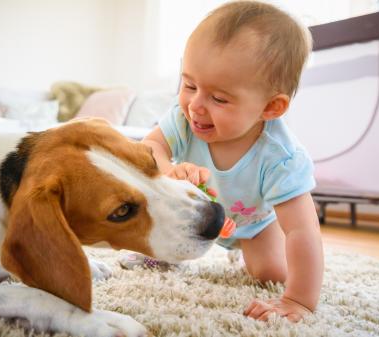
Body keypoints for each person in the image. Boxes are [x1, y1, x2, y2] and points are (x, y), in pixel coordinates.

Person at [126, 0, 323, 323]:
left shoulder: (281, 158)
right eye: (189, 85)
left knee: (271, 273)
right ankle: (165, 253)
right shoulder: (182, 119)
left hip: (254, 225)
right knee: (153, 200)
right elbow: (149, 148)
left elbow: (303, 231)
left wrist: (298, 300)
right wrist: (169, 170)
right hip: (189, 213)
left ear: (270, 107)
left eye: (218, 98)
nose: (195, 106)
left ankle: (255, 259)